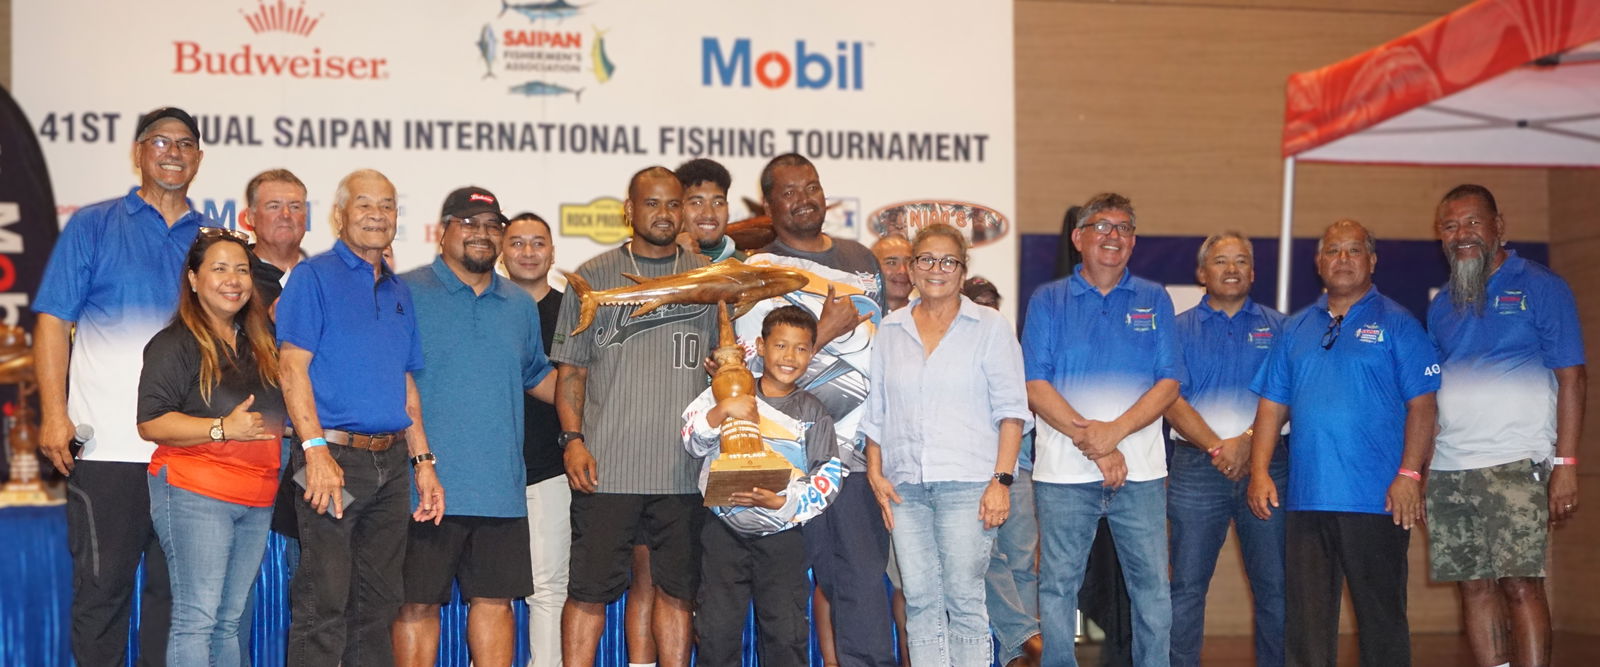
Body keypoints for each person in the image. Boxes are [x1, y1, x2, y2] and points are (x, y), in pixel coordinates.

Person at [34, 106, 207, 666]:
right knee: (102, 596)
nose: (173, 152)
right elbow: (53, 323)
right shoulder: (93, 224)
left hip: (190, 455)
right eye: (160, 141)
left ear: (199, 158)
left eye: (185, 143)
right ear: (138, 153)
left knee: (178, 604)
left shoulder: (212, 244)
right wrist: (53, 414)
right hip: (108, 450)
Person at [1247, 219, 1439, 667]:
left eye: (1354, 251)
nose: (1343, 259)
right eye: (1334, 251)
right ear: (1319, 263)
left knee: (1381, 618)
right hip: (1307, 499)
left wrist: (1410, 474)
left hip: (1378, 499)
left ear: (1372, 261)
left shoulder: (1399, 323)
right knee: (1307, 624)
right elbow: (1272, 407)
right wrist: (1258, 472)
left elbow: (1424, 408)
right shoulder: (1295, 329)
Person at [550, 166, 718, 667]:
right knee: (588, 592)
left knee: (676, 593)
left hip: (683, 471)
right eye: (652, 204)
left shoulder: (711, 280)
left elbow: (727, 369)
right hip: (608, 467)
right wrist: (573, 440)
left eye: (673, 204)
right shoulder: (593, 276)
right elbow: (572, 375)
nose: (664, 214)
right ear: (630, 210)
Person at [276, 169, 445, 666]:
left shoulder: (398, 291)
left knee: (378, 604)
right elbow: (291, 368)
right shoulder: (314, 276)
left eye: (387, 205)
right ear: (340, 215)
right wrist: (314, 451)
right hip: (328, 459)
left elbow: (405, 386)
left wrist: (424, 462)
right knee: (324, 600)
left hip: (391, 465)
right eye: (365, 204)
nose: (377, 214)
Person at [735, 153, 894, 667]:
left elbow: (883, 353)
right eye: (789, 190)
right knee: (787, 596)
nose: (804, 198)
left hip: (855, 460)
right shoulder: (756, 272)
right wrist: (824, 333)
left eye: (813, 187)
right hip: (788, 459)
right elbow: (759, 375)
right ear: (768, 203)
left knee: (864, 585)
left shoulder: (862, 260)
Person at [393, 188, 557, 666]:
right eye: (469, 223)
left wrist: (608, 394)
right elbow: (392, 379)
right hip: (425, 485)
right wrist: (421, 462)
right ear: (442, 231)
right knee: (416, 604)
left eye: (492, 225)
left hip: (500, 486)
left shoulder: (519, 304)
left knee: (495, 602)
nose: (482, 234)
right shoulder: (405, 291)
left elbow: (538, 377)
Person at [1425, 185, 1586, 667]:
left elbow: (1573, 379)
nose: (1462, 235)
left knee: (1520, 583)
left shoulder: (1540, 285)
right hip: (1450, 466)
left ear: (1500, 226)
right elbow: (1430, 392)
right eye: (1450, 227)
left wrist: (1566, 464)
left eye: (1473, 222)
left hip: (1517, 460)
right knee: (1473, 587)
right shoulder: (1441, 305)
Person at [1021, 193, 1183, 667]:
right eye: (1102, 226)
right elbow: (1035, 385)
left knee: (1152, 590)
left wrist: (1114, 433)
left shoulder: (1154, 298)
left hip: (1143, 475)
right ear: (1078, 237)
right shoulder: (1048, 300)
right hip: (1064, 476)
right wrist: (1096, 443)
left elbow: (1169, 383)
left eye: (1125, 227)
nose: (1114, 235)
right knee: (1057, 589)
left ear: (1133, 241)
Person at [864, 224, 1030, 666]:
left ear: (962, 270)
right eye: (926, 260)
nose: (937, 269)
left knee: (964, 601)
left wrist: (1001, 481)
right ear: (912, 269)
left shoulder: (990, 327)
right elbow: (876, 412)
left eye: (948, 261)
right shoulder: (890, 329)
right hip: (904, 489)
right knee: (918, 602)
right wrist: (876, 474)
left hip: (969, 487)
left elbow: (1012, 412)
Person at [135, 228, 285, 665]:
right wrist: (222, 428)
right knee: (197, 618)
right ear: (194, 279)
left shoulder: (261, 343)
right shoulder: (173, 343)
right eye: (219, 268)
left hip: (257, 498)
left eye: (242, 269)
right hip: (194, 491)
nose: (233, 279)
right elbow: (151, 422)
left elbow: (271, 418)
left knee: (229, 619)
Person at [682, 305, 845, 667]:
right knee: (716, 633)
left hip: (783, 535)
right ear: (760, 346)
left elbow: (829, 476)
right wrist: (722, 410)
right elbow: (691, 441)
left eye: (801, 348)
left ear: (812, 353)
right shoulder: (728, 388)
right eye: (780, 345)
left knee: (786, 636)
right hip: (723, 531)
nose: (790, 357)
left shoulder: (813, 412)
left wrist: (783, 502)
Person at [1164, 232, 1287, 667]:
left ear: (1253, 272)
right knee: (1186, 588)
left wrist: (1250, 443)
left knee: (1276, 586)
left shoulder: (1281, 328)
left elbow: (1289, 396)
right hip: (1196, 468)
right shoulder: (1175, 330)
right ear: (1201, 273)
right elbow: (1169, 399)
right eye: (1220, 261)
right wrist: (1219, 447)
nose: (1231, 269)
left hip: (1269, 467)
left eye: (1241, 261)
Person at [965, 276, 1044, 667]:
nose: (986, 313)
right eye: (977, 305)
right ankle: (1024, 636)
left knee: (1022, 565)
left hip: (1019, 469)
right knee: (984, 560)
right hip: (971, 473)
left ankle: (1019, 658)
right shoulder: (953, 355)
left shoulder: (1013, 348)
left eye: (991, 305)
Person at [503, 211, 570, 667]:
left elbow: (587, 389)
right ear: (502, 251)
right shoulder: (488, 306)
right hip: (492, 471)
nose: (528, 252)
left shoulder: (575, 312)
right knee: (493, 591)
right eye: (517, 242)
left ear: (552, 251)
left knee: (548, 588)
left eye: (538, 242)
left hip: (552, 467)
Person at [241, 168, 310, 308]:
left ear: (306, 216)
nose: (285, 215)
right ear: (250, 217)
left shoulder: (323, 276)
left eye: (295, 207)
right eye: (274, 206)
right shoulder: (235, 281)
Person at [676, 158, 745, 262]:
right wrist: (670, 256)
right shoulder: (656, 260)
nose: (709, 214)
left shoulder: (750, 267)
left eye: (717, 203)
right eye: (697, 203)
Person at [872, 235, 915, 311]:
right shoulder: (856, 318)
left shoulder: (928, 319)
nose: (902, 271)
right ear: (872, 267)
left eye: (909, 263)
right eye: (891, 263)